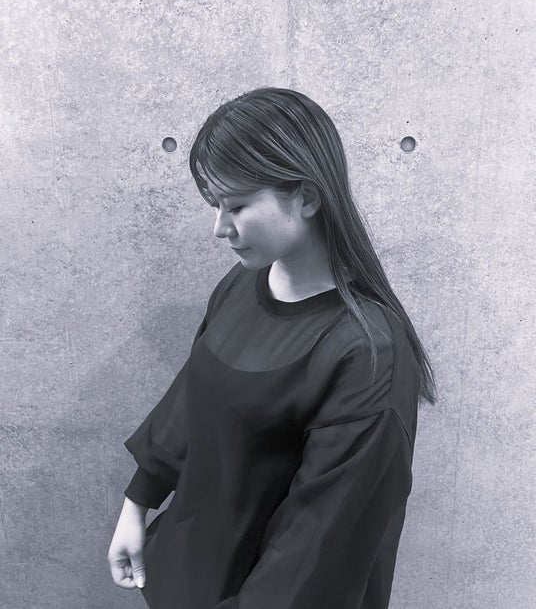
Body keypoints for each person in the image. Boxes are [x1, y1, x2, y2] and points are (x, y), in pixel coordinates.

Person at [107, 86, 437, 609]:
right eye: (216, 205)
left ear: (306, 196)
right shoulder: (242, 286)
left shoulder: (367, 353)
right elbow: (195, 398)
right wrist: (138, 501)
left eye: (237, 206)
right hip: (185, 579)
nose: (220, 228)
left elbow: (320, 550)